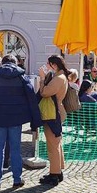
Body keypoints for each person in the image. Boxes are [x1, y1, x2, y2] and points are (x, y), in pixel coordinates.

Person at [0, 54, 41, 189]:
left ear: (2, 63)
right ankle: (17, 179)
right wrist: (34, 121)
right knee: (16, 149)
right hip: (16, 118)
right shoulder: (21, 76)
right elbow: (31, 99)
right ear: (16, 63)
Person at [37, 55, 70, 186]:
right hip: (56, 111)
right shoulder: (61, 77)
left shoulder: (58, 78)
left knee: (53, 145)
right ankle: (58, 171)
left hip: (53, 113)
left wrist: (42, 78)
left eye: (48, 64)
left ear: (54, 65)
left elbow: (44, 92)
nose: (46, 67)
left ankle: (54, 174)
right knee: (56, 143)